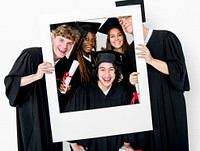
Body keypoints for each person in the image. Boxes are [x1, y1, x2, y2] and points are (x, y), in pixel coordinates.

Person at [117, 0, 190, 151]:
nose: (123, 23)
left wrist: (151, 60)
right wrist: (131, 80)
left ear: (138, 15)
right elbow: (131, 89)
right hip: (149, 111)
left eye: (126, 18)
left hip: (170, 105)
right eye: (120, 20)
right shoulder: (130, 52)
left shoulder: (166, 38)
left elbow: (179, 72)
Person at [4, 23, 81, 151]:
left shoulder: (67, 65)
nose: (64, 46)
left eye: (69, 43)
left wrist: (66, 91)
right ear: (52, 38)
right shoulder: (32, 55)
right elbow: (11, 82)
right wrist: (36, 75)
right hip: (33, 119)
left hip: (53, 124)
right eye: (61, 40)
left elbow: (66, 102)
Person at [63, 50, 134, 151]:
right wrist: (74, 145)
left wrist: (127, 144)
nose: (107, 75)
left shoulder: (121, 92)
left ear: (116, 71)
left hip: (115, 146)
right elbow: (68, 118)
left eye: (111, 69)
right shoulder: (83, 91)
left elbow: (128, 120)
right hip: (90, 147)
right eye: (102, 69)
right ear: (96, 71)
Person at [58, 21, 101, 112]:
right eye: (87, 39)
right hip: (82, 106)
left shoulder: (97, 58)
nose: (91, 43)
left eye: (93, 40)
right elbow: (68, 88)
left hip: (97, 102)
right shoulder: (71, 62)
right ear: (80, 40)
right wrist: (67, 89)